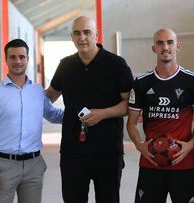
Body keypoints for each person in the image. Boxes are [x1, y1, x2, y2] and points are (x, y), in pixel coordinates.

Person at [46, 16, 134, 203]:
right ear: (71, 37)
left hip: (108, 151)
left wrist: (102, 114)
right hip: (72, 151)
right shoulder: (65, 65)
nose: (82, 37)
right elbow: (49, 96)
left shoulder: (116, 64)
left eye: (87, 32)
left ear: (96, 34)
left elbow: (130, 104)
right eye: (77, 33)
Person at [0, 39, 64, 203]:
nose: (18, 61)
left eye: (22, 57)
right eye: (13, 57)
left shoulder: (38, 91)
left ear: (28, 59)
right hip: (4, 166)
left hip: (34, 166)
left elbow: (54, 115)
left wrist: (81, 114)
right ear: (6, 59)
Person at [127, 28, 194, 203]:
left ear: (178, 46)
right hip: (151, 161)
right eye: (160, 43)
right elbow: (131, 124)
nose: (165, 47)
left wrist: (190, 145)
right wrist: (140, 146)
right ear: (154, 48)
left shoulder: (192, 81)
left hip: (183, 163)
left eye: (169, 42)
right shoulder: (141, 83)